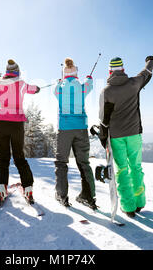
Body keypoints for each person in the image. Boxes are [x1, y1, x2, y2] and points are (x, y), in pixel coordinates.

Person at [98, 56, 153, 218]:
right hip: (135, 134)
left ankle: (128, 207)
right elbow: (147, 72)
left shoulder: (106, 92)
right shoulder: (134, 84)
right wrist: (150, 60)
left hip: (116, 137)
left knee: (122, 170)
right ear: (122, 69)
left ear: (110, 71)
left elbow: (103, 119)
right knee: (136, 167)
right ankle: (140, 202)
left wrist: (103, 139)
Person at [0, 59, 40, 205]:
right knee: (19, 157)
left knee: (3, 157)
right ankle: (28, 188)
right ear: (17, 72)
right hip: (17, 124)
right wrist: (37, 88)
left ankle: (1, 188)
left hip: (1, 122)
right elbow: (33, 89)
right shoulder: (21, 84)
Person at [53, 58, 97, 209]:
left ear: (64, 73)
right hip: (81, 128)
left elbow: (55, 90)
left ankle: (61, 195)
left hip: (65, 128)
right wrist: (88, 78)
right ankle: (89, 196)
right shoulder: (82, 87)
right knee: (84, 163)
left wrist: (59, 81)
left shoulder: (59, 88)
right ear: (76, 72)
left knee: (61, 162)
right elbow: (89, 85)